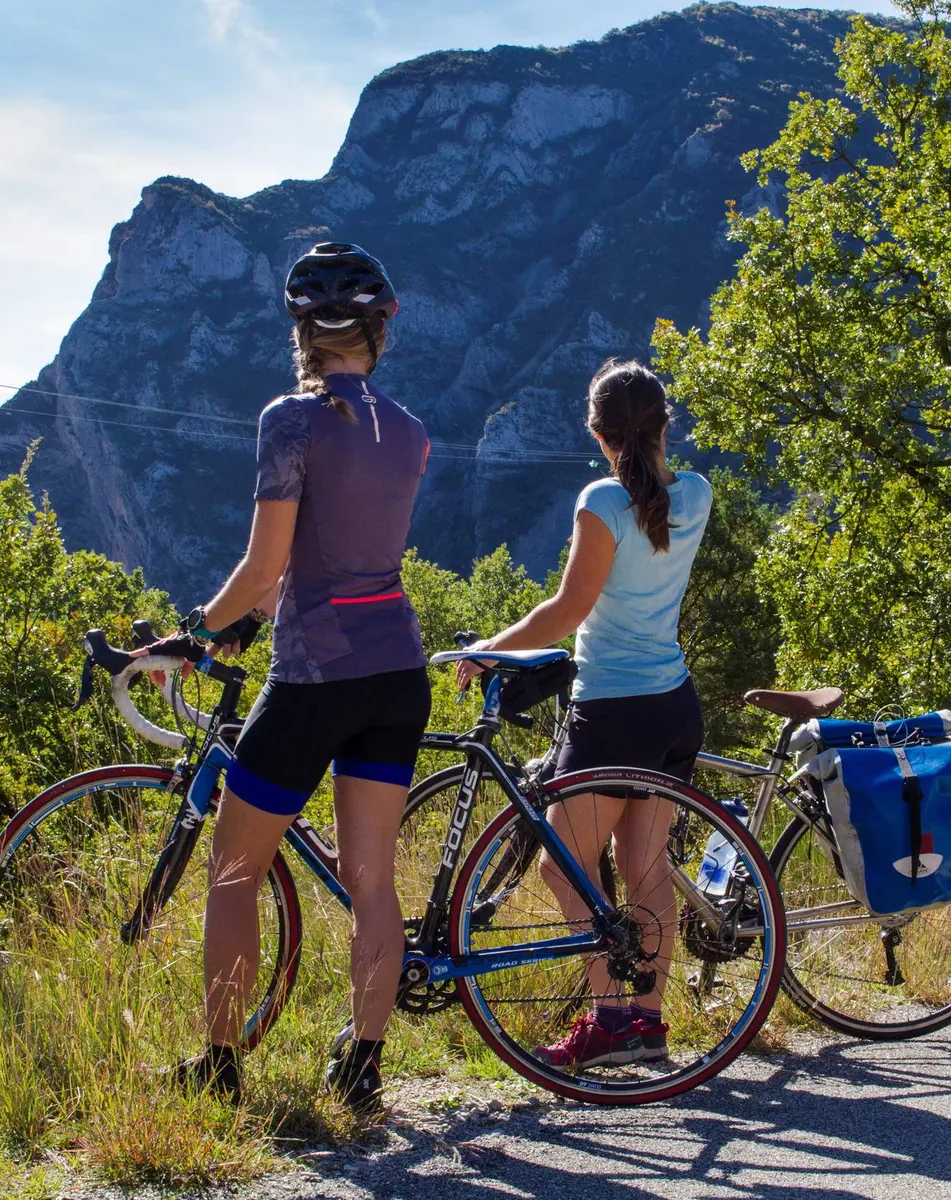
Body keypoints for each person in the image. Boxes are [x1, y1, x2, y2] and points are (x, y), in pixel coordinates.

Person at [149, 242, 432, 1113]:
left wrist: (193, 634)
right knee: (374, 881)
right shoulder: (413, 430)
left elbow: (266, 568)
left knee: (234, 870)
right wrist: (255, 616)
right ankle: (362, 1072)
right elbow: (344, 558)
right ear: (385, 326)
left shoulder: (291, 419)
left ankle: (223, 1069)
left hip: (315, 678)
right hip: (398, 670)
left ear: (300, 330)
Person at [456, 358, 712, 1070]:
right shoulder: (696, 493)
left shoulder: (602, 501)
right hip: (673, 706)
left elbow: (567, 612)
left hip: (611, 711)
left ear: (600, 435)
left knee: (562, 871)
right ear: (664, 426)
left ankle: (607, 1019)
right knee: (645, 868)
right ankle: (647, 1023)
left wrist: (486, 649)